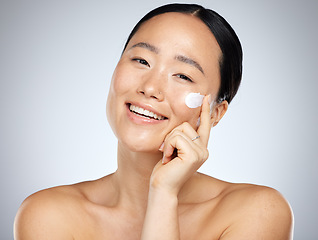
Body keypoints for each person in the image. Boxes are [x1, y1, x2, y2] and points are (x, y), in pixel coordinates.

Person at [14, 3, 293, 239]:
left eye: (183, 75)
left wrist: (163, 193)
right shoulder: (47, 215)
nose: (150, 88)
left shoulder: (257, 212)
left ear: (214, 113)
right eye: (141, 61)